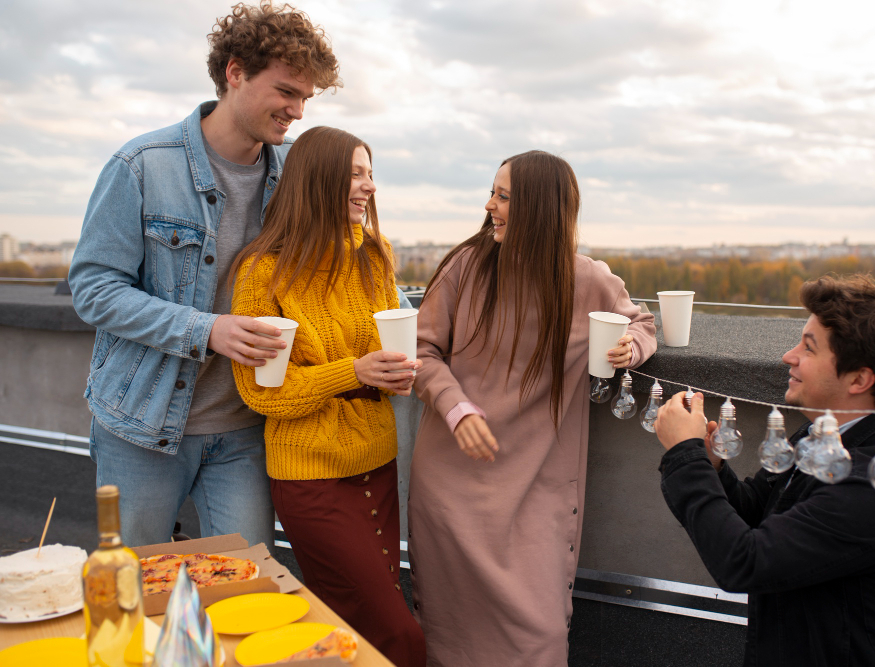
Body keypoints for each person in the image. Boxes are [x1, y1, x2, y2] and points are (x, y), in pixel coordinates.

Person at [67, 1, 340, 550]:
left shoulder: (294, 177)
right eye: (287, 91)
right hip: (140, 426)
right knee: (141, 592)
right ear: (235, 72)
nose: (297, 112)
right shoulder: (141, 164)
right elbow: (94, 289)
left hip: (245, 429)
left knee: (247, 591)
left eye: (305, 98)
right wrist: (206, 329)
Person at [408, 150, 657, 666]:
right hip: (451, 493)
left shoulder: (588, 279)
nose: (489, 205)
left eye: (502, 196)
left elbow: (641, 323)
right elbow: (421, 351)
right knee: (447, 640)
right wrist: (456, 408)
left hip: (537, 493)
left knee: (540, 638)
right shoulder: (463, 266)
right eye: (493, 193)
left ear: (541, 209)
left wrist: (629, 348)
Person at [655, 275, 875, 666]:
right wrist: (711, 463)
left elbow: (745, 562)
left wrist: (685, 455)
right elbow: (756, 511)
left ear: (859, 379)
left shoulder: (873, 486)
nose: (789, 356)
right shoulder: (823, 435)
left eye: (808, 347)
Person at [229, 127, 426, 666]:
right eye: (357, 174)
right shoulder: (263, 273)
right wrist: (354, 372)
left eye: (370, 173)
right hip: (311, 478)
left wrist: (395, 370)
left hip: (378, 463)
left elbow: (392, 341)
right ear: (320, 182)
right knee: (398, 635)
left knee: (350, 636)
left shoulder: (375, 256)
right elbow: (262, 393)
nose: (370, 187)